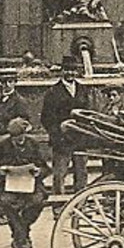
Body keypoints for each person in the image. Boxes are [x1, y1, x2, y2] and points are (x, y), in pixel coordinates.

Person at [0, 117, 50, 248]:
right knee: (6, 202)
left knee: (38, 201)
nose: (17, 140)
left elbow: (46, 168)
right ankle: (23, 237)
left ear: (25, 134)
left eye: (20, 137)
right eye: (14, 138)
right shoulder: (3, 144)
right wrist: (1, 170)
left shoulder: (33, 144)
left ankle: (20, 234)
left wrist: (38, 172)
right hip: (9, 186)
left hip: (31, 185)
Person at [41, 56, 89, 195]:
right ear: (62, 71)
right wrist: (59, 129)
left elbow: (89, 113)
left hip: (80, 140)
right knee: (59, 176)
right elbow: (46, 118)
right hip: (62, 142)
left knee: (81, 175)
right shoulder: (53, 92)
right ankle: (59, 207)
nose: (71, 73)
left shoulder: (83, 90)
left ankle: (80, 206)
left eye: (73, 70)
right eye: (68, 70)